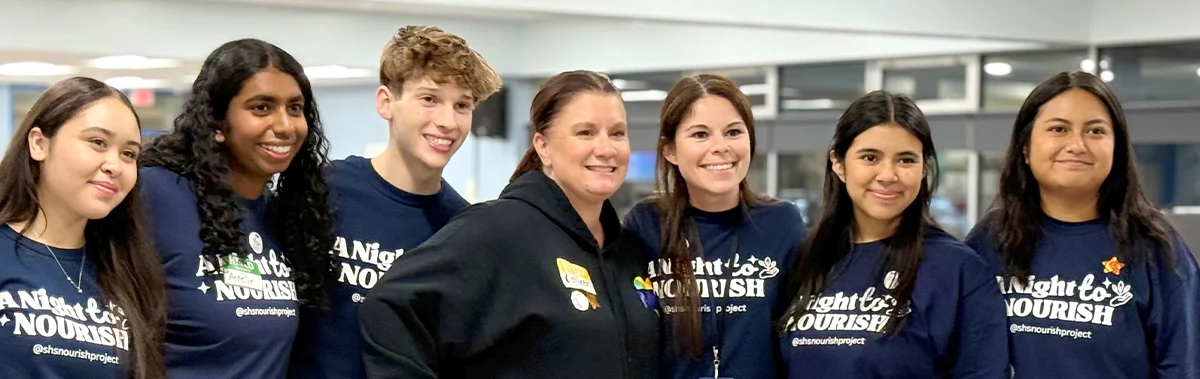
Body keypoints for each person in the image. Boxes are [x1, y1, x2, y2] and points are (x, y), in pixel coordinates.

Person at [359, 70, 661, 378]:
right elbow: (391, 307)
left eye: (617, 133)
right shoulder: (498, 232)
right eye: (585, 133)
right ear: (543, 147)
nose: (606, 148)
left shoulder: (629, 252)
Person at [290, 25, 502, 379]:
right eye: (429, 99)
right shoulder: (322, 189)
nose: (447, 122)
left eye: (462, 105)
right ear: (386, 103)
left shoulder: (464, 229)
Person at [965, 71, 1199, 378]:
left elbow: (1184, 367)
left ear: (1116, 148)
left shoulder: (1156, 248)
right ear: (1025, 147)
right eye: (1059, 129)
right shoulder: (990, 240)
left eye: (1096, 131)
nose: (1077, 145)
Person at [138, 39, 336, 379]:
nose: (285, 125)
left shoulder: (286, 218)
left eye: (295, 108)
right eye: (261, 108)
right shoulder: (154, 193)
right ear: (216, 120)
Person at [776, 90, 1009, 378]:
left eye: (906, 160)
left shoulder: (957, 270)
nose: (888, 175)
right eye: (870, 157)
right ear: (838, 163)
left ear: (924, 167)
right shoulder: (807, 260)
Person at [622, 74, 805, 379]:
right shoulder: (647, 223)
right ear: (670, 150)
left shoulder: (782, 223)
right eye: (700, 135)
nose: (720, 147)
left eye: (733, 132)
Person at [0, 77, 165, 379]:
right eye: (98, 142)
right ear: (39, 143)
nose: (114, 165)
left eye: (129, 154)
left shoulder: (127, 271)